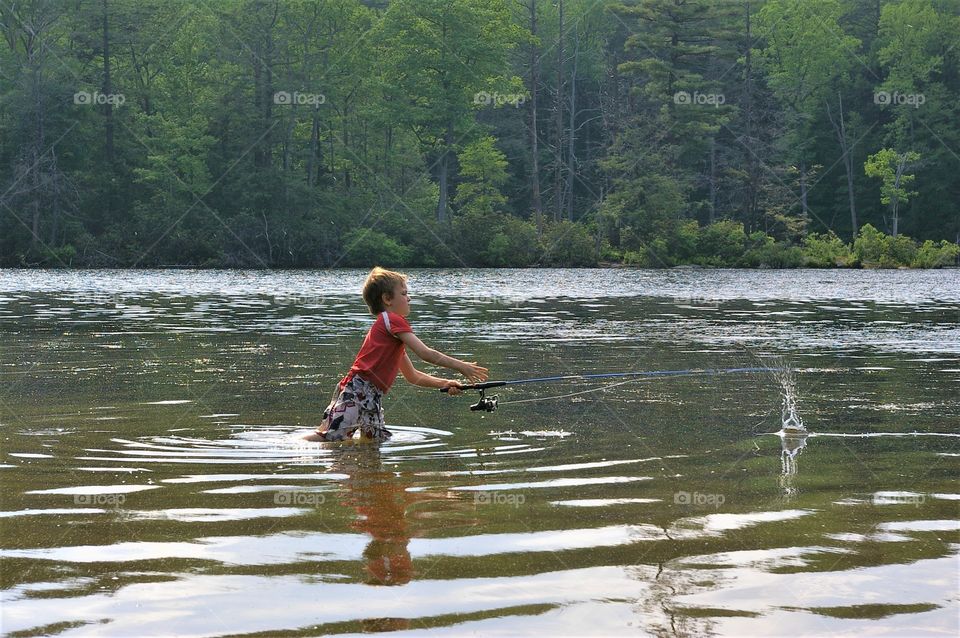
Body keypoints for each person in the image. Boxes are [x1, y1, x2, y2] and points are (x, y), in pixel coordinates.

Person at [303, 266, 488, 442]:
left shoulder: (390, 335)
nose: (409, 298)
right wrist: (461, 366)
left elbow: (412, 376)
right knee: (329, 439)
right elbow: (425, 353)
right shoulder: (392, 320)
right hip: (358, 392)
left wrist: (445, 383)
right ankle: (292, 447)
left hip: (371, 396)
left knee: (375, 443)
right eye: (404, 293)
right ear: (387, 299)